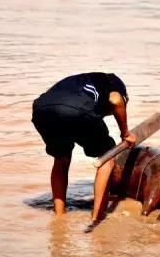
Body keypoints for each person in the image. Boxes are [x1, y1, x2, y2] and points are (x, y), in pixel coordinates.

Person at [32, 72, 137, 224]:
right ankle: (97, 216)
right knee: (107, 155)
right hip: (78, 110)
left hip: (42, 111)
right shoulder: (112, 85)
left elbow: (61, 104)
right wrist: (125, 133)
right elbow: (116, 100)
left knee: (61, 158)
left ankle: (59, 214)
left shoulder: (82, 83)